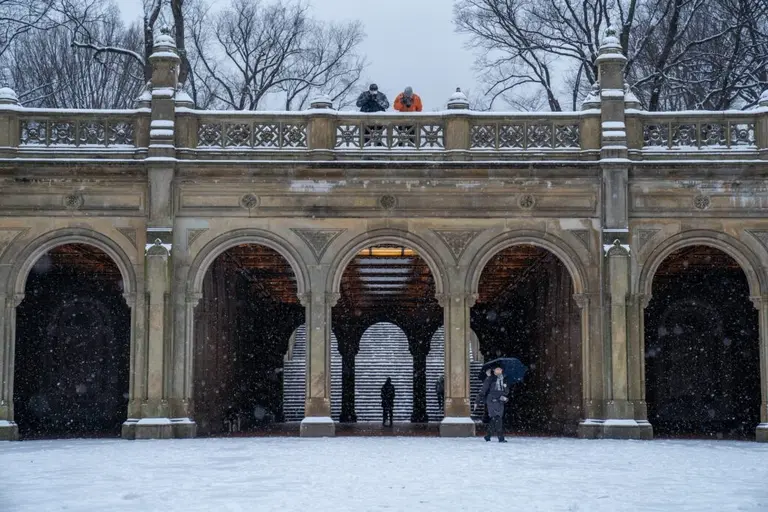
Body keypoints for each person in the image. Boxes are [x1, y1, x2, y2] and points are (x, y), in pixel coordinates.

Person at [474, 364, 509, 442]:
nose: (498, 371)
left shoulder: (504, 380)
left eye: (500, 369)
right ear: (494, 370)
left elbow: (506, 391)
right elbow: (483, 390)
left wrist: (504, 396)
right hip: (492, 401)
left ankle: (488, 435)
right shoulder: (490, 379)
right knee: (497, 418)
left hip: (500, 401)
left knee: (495, 419)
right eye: (497, 369)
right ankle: (501, 438)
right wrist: (477, 401)